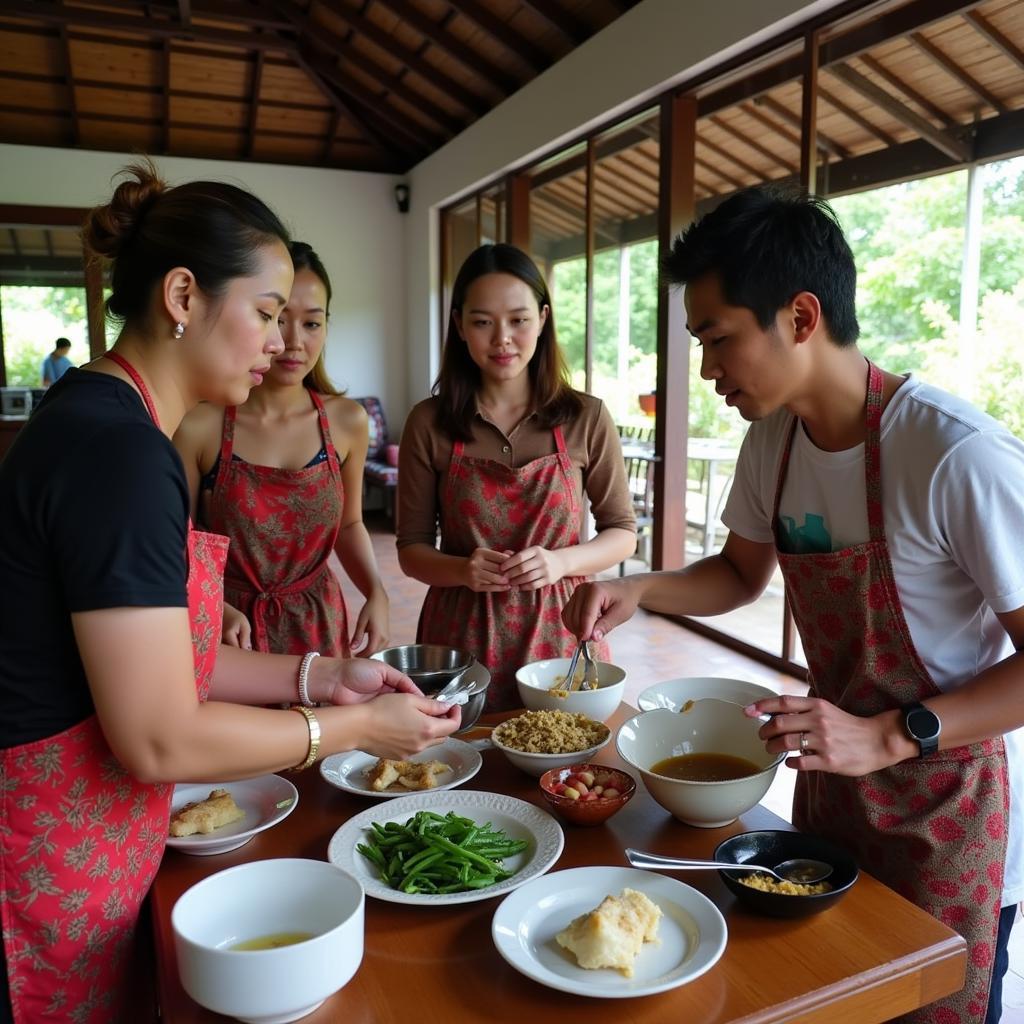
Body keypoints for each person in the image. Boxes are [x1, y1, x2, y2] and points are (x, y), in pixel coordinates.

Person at [0, 162, 459, 1024]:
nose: (278, 342)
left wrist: (319, 677)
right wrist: (356, 728)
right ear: (183, 295)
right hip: (44, 851)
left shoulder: (103, 423)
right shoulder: (124, 455)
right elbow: (160, 736)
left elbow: (168, 665)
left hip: (81, 839)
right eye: (265, 311)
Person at [562, 184, 1023, 1024]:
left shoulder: (953, 455)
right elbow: (740, 575)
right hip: (831, 784)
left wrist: (889, 733)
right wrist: (638, 588)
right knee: (828, 993)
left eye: (718, 338)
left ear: (802, 316)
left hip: (944, 806)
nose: (706, 370)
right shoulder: (772, 441)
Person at [397, 243, 636, 711]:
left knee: (563, 774)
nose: (502, 338)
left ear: (543, 319)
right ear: (459, 325)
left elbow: (622, 532)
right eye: (483, 321)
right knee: (463, 766)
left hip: (563, 629)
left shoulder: (586, 416)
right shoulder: (430, 422)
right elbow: (412, 551)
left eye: (519, 320)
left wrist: (562, 563)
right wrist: (464, 570)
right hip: (461, 632)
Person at [174, 241, 388, 657]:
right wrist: (214, 603)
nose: (292, 341)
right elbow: (177, 539)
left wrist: (375, 592)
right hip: (231, 630)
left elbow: (349, 525)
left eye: (312, 323)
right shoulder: (202, 425)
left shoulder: (347, 423)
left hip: (319, 623)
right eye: (276, 318)